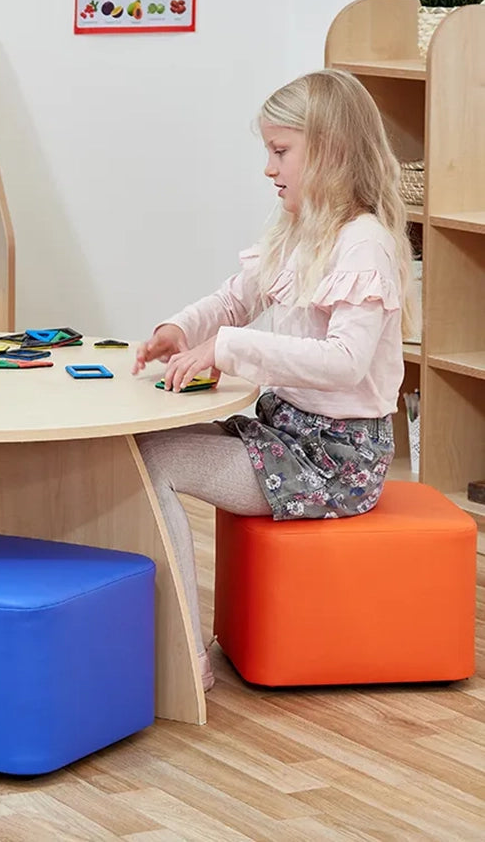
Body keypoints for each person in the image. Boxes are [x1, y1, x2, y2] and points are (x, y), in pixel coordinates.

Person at [132, 69, 414, 692]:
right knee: (139, 449)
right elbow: (232, 301)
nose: (268, 167)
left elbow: (345, 361)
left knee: (156, 464)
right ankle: (161, 642)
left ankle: (183, 658)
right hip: (289, 435)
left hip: (336, 458)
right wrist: (180, 329)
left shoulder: (362, 244)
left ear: (333, 153)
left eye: (281, 151)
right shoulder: (298, 231)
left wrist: (228, 350)